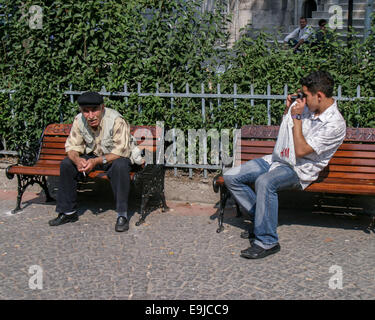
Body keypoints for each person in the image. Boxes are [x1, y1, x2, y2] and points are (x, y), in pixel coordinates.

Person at [223, 71, 346, 259]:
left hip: (299, 169)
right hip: (277, 159)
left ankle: (267, 241)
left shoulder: (335, 124)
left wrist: (296, 118)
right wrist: (288, 110)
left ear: (319, 96)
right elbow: (285, 131)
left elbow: (301, 151)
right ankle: (261, 222)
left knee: (265, 182)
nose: (302, 98)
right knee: (232, 176)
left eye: (305, 95)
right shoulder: (306, 108)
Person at [48, 91, 134, 232]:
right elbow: (71, 147)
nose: (90, 116)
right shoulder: (78, 120)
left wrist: (95, 162)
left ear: (102, 108)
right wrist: (77, 160)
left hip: (114, 158)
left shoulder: (117, 120)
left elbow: (121, 151)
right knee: (67, 164)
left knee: (121, 166)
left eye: (94, 110)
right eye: (86, 111)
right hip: (93, 156)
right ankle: (68, 212)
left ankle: (122, 215)